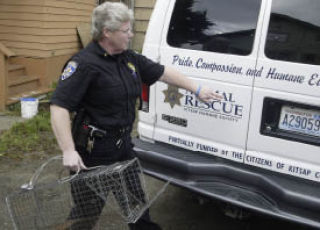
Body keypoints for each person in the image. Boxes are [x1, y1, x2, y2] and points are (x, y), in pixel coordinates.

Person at [50, 2, 222, 230]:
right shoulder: (83, 64)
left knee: (137, 206)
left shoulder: (128, 58)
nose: (131, 35)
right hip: (93, 153)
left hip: (122, 147)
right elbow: (59, 107)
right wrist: (68, 150)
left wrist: (197, 89)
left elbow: (162, 72)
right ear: (107, 32)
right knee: (86, 213)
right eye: (126, 30)